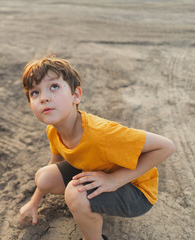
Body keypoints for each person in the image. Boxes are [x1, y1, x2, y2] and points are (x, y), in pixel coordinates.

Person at [18, 56, 175, 240]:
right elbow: (55, 162)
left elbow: (166, 147)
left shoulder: (103, 134)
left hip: (137, 191)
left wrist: (114, 180)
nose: (44, 98)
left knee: (76, 194)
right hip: (97, 170)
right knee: (43, 176)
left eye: (54, 87)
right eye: (34, 93)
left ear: (76, 95)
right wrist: (34, 202)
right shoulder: (53, 130)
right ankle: (88, 203)